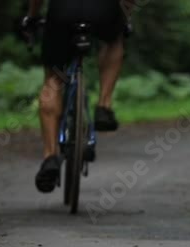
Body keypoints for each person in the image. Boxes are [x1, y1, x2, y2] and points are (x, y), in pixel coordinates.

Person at [21, 0, 133, 192]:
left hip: (63, 11)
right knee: (114, 41)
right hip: (103, 10)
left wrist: (32, 16)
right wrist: (125, 17)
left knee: (54, 79)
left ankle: (50, 156)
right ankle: (104, 105)